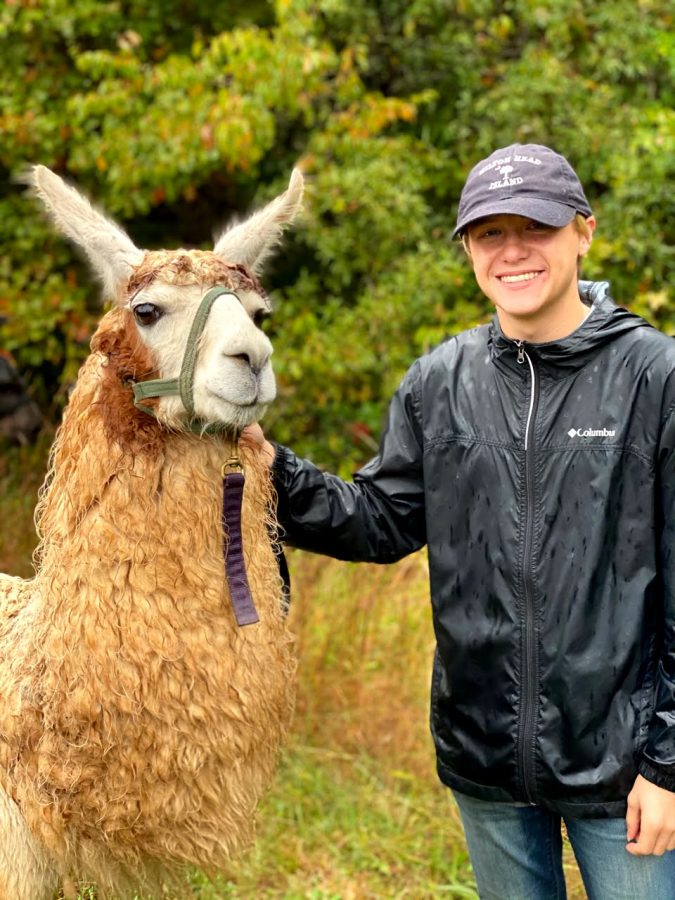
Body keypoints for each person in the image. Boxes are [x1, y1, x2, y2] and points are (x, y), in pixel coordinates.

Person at [245, 143, 675, 899]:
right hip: (486, 759)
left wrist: (668, 766)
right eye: (488, 234)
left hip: (626, 769)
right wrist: (266, 467)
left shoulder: (654, 377)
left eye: (533, 228)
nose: (511, 252)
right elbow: (378, 521)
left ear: (583, 231)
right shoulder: (438, 383)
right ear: (469, 250)